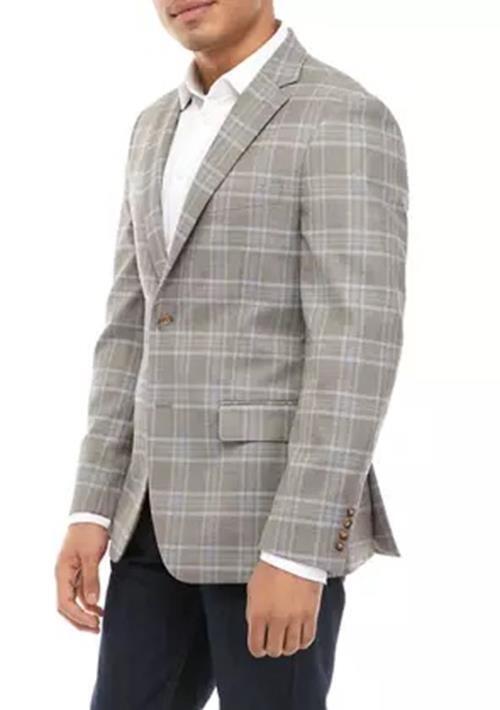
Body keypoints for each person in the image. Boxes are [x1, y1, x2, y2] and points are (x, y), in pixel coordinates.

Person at [55, 2, 409, 708]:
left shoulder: (339, 115)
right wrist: (91, 508)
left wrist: (299, 549)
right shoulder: (153, 126)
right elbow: (129, 326)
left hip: (268, 524)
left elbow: (356, 343)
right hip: (147, 522)